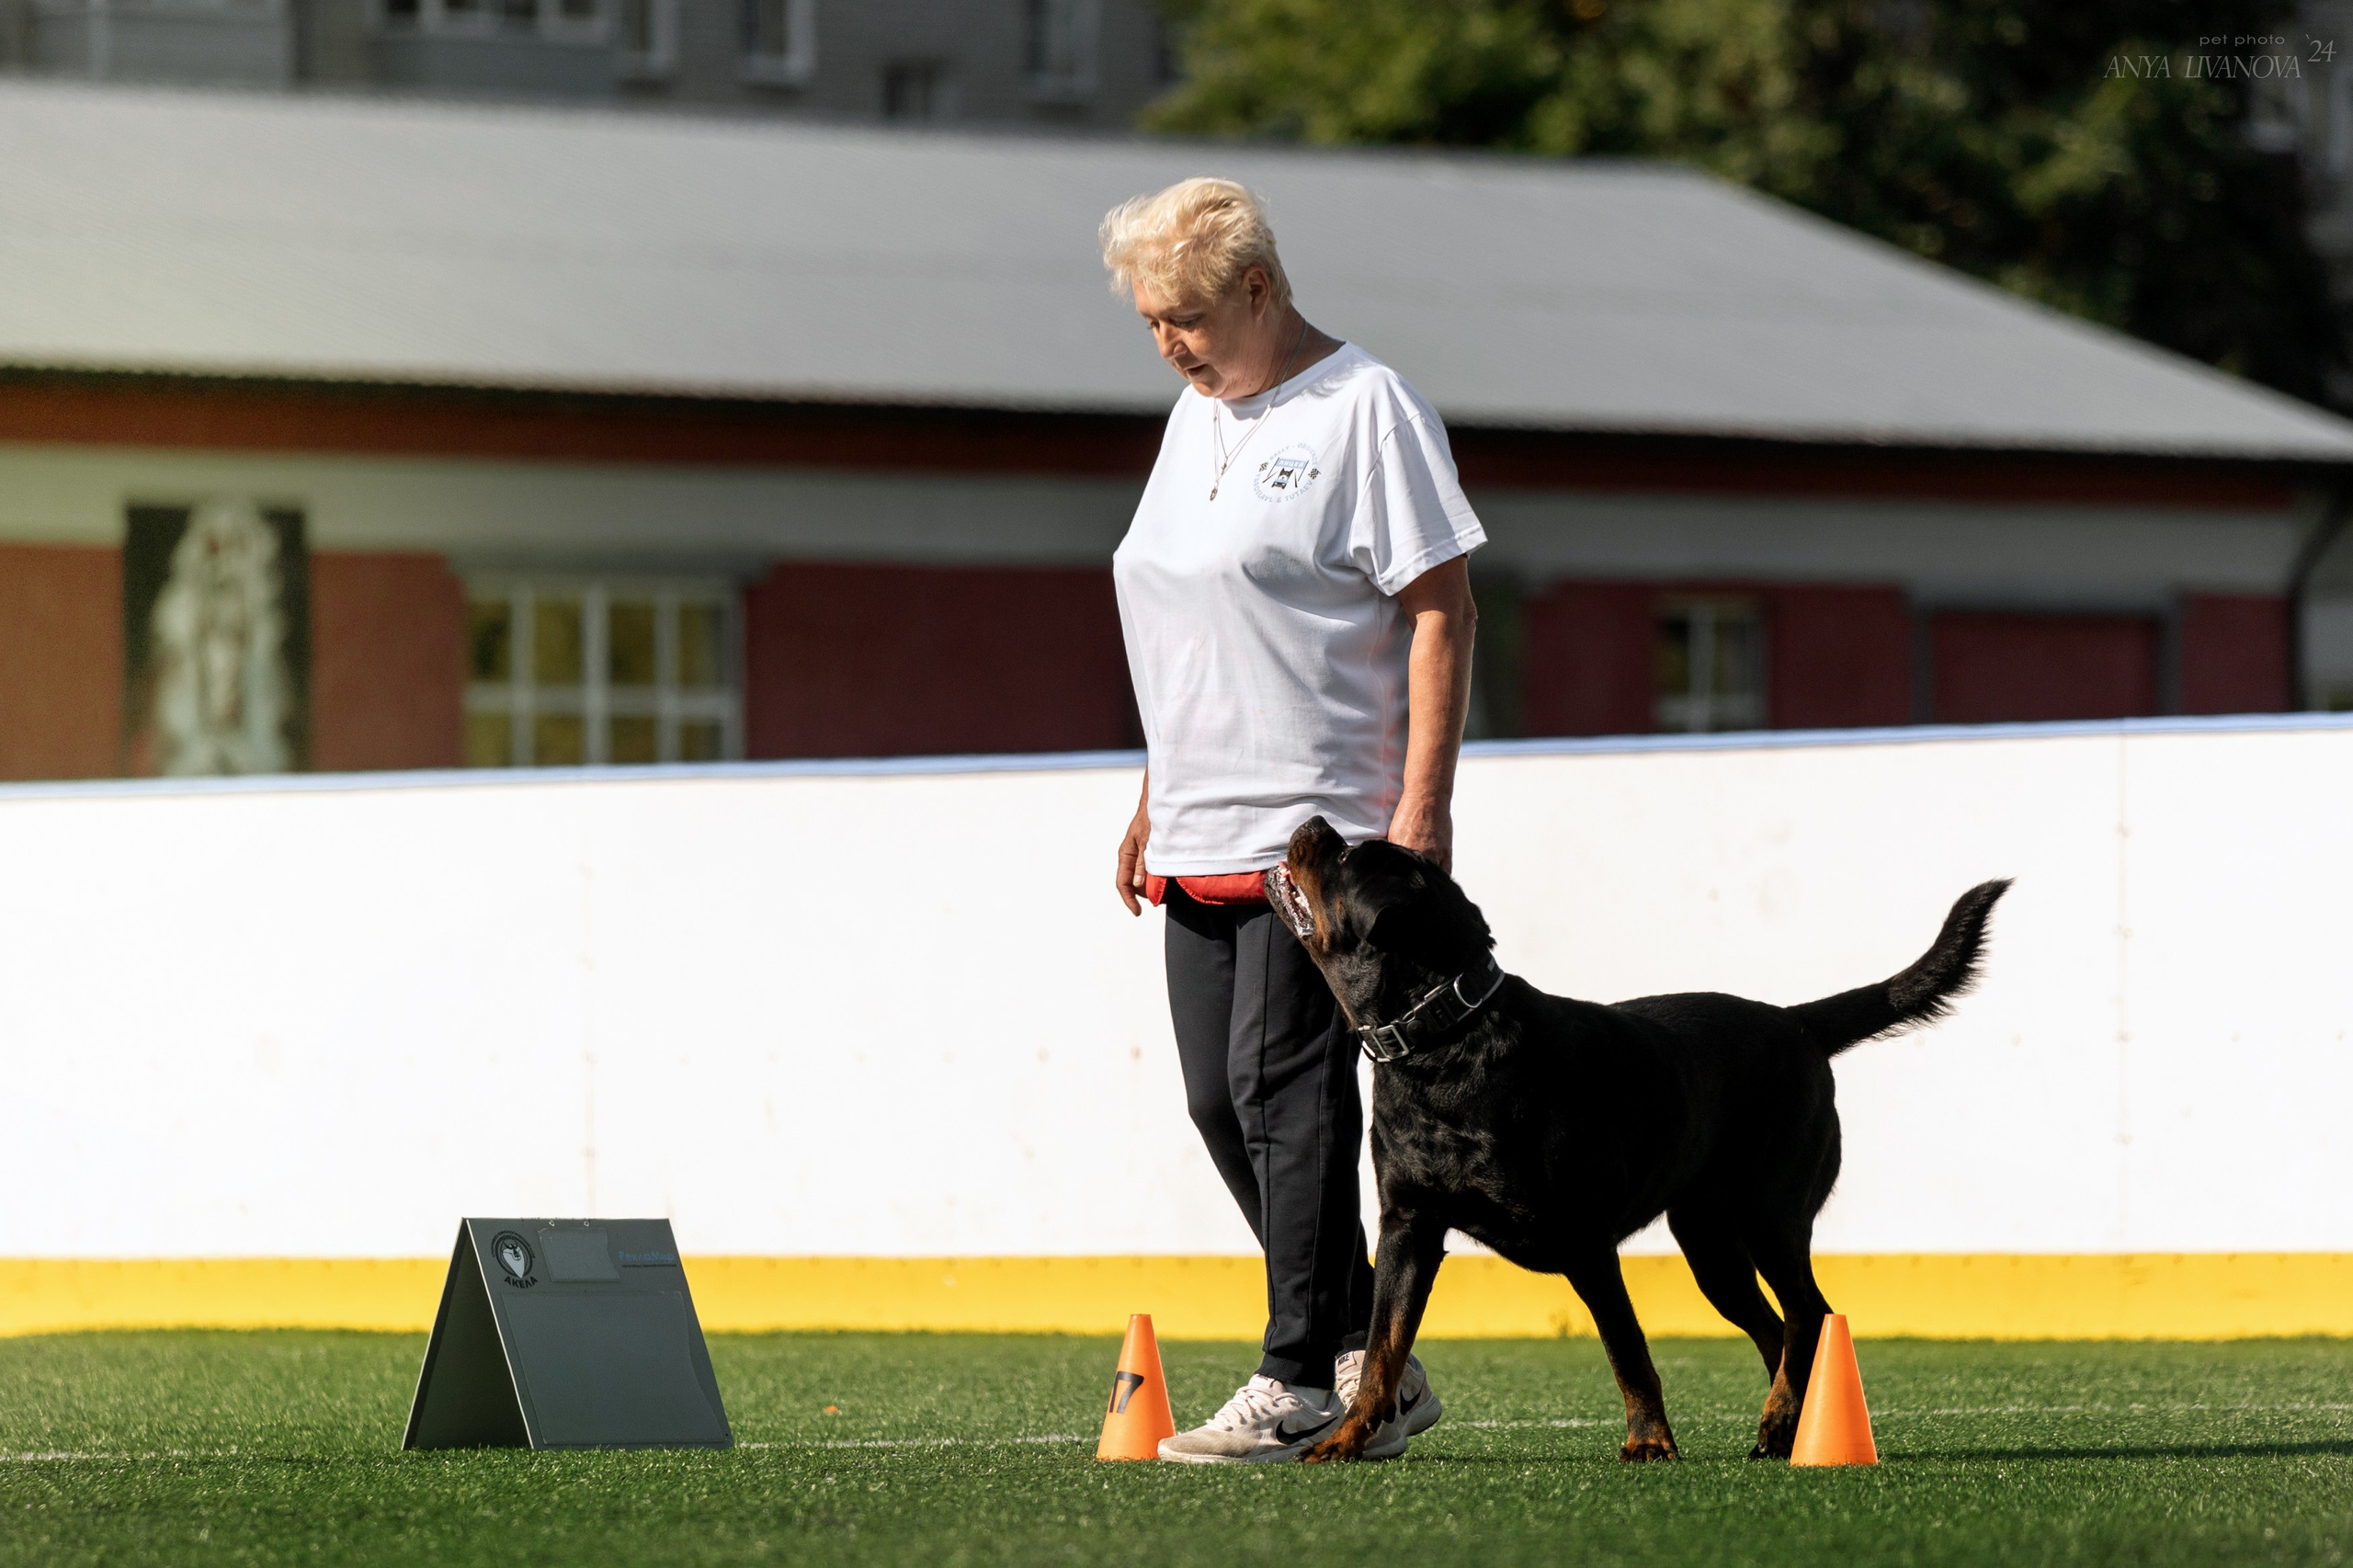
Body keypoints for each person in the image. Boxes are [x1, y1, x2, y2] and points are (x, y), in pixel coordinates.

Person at [1103, 176, 1484, 1463]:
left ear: (1259, 287)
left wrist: (1422, 807)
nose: (1168, 340)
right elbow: (1189, 617)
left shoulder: (1365, 407)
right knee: (1223, 1101)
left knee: (1288, 1091)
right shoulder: (1190, 417)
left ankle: (1302, 1378)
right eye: (1152, 319)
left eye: (1188, 315)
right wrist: (1156, 791)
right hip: (1198, 819)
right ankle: (1365, 1358)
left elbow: (1443, 607)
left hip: (1313, 831)